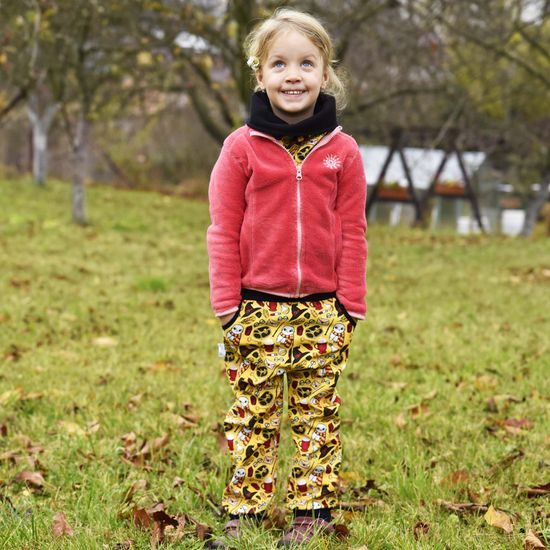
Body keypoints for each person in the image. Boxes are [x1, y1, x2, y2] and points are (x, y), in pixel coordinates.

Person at [206, 7, 367, 547]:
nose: (292, 75)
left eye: (305, 63)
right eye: (279, 64)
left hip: (323, 310)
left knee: (316, 411)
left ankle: (312, 512)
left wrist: (351, 305)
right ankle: (246, 511)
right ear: (260, 75)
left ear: (326, 73)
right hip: (255, 308)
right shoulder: (241, 148)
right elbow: (223, 229)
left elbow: (354, 231)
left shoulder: (342, 152)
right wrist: (228, 305)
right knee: (253, 413)